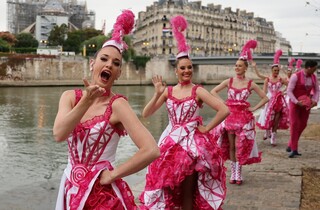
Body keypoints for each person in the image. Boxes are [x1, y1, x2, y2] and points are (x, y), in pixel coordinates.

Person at [53, 10, 160, 210]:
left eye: (116, 63)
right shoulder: (69, 97)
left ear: (118, 73)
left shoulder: (118, 105)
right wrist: (86, 100)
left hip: (102, 195)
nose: (109, 65)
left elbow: (151, 150)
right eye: (104, 59)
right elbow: (59, 134)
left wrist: (112, 174)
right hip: (70, 188)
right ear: (93, 63)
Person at [139, 15, 230, 210]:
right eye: (183, 68)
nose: (187, 71)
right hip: (170, 142)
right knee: (168, 188)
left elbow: (224, 110)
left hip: (191, 145)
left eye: (189, 67)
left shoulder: (198, 90)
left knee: (188, 189)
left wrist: (207, 128)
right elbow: (146, 113)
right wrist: (156, 95)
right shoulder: (168, 91)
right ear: (176, 71)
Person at [210, 40, 269, 185]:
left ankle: (239, 173)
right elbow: (213, 91)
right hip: (230, 117)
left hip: (243, 119)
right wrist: (223, 104)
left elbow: (265, 98)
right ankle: (233, 173)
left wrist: (254, 108)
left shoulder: (250, 84)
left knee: (240, 146)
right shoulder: (229, 81)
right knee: (231, 146)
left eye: (240, 66)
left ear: (245, 68)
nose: (237, 68)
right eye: (235, 66)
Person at [286, 59, 319, 158]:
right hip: (295, 103)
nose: (315, 70)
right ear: (309, 68)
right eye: (314, 68)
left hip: (306, 104)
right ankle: (294, 149)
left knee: (303, 124)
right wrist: (296, 102)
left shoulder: (314, 77)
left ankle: (290, 144)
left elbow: (317, 90)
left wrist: (315, 100)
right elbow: (289, 91)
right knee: (295, 124)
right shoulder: (295, 76)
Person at [256, 49, 289, 146]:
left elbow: (290, 85)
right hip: (269, 99)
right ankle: (267, 131)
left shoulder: (281, 79)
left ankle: (273, 136)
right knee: (268, 117)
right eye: (275, 70)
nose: (276, 72)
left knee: (277, 118)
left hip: (278, 99)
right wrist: (263, 100)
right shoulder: (267, 79)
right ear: (271, 70)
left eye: (278, 71)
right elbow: (264, 91)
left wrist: (283, 92)